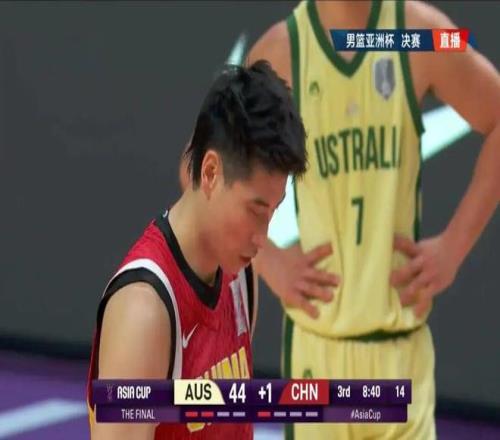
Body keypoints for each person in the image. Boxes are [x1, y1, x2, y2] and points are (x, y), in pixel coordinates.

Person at [246, 1, 500, 439]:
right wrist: (269, 260)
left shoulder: (418, 33)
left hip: (400, 353)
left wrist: (454, 247)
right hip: (319, 354)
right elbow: (203, 170)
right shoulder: (283, 50)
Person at [86, 60, 307, 440]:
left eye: (274, 211)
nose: (263, 236)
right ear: (210, 173)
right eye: (256, 210)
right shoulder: (144, 311)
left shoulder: (240, 275)